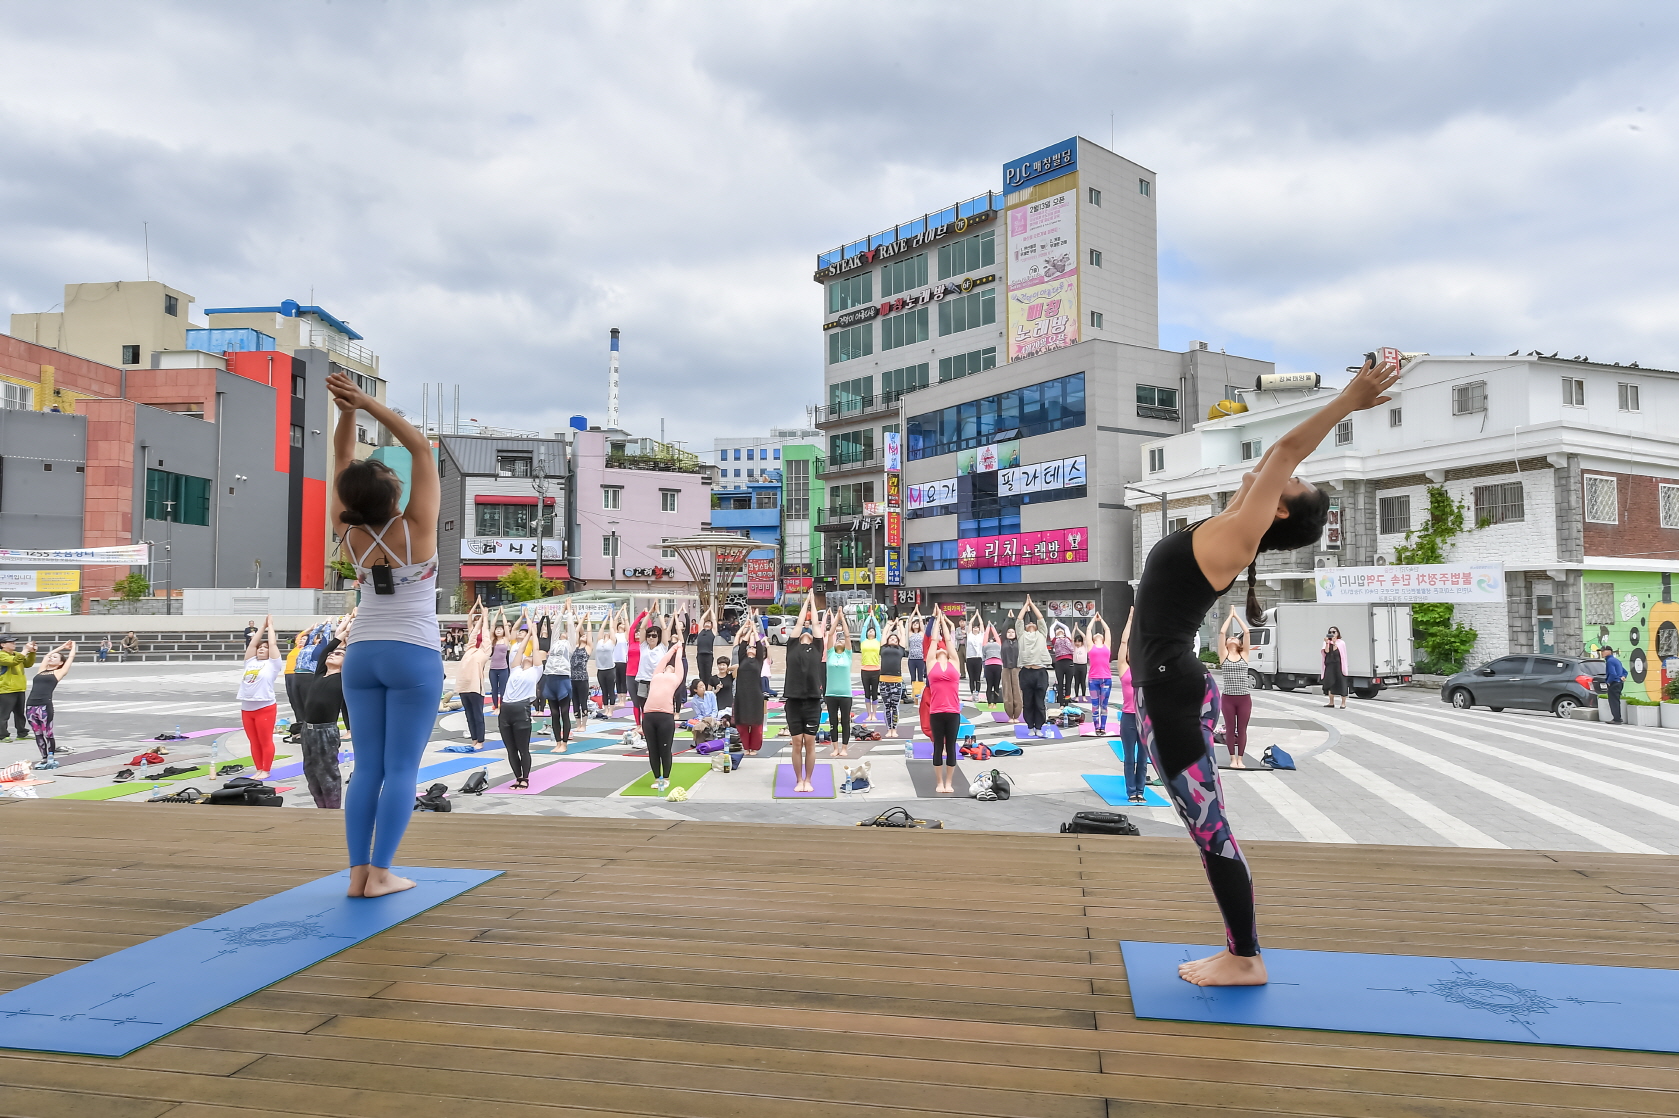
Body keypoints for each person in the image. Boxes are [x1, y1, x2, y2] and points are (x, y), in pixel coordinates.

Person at [1131, 354, 1398, 987]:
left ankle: (1246, 956)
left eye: (1290, 482)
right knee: (1206, 829)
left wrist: (1350, 399)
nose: (1282, 470)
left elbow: (1285, 449)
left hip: (1171, 695)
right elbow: (1278, 455)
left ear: (1277, 510)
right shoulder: (1228, 523)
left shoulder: (1237, 538)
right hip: (1163, 690)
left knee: (1211, 832)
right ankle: (1240, 950)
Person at [328, 366, 446, 898]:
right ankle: (381, 874)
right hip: (413, 654)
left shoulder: (347, 532)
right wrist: (365, 402)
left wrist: (346, 414)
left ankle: (358, 875)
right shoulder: (416, 529)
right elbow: (420, 447)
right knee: (401, 769)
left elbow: (341, 462)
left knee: (366, 768)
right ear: (394, 495)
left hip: (361, 654)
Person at [299, 614, 352, 808]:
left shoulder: (344, 678)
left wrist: (351, 633)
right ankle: (321, 808)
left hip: (325, 731)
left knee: (327, 773)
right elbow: (326, 650)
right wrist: (343, 633)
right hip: (307, 730)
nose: (332, 654)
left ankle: (332, 810)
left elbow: (354, 658)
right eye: (332, 653)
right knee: (311, 772)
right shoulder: (320, 673)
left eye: (339, 654)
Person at [782, 594, 827, 792]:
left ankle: (808, 780)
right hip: (793, 701)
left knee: (809, 742)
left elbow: (814, 624)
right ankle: (798, 779)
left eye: (808, 634)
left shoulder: (817, 648)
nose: (805, 634)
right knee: (796, 742)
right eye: (802, 634)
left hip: (812, 701)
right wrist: (805, 604)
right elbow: (800, 624)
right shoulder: (792, 648)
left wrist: (812, 602)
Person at [237, 616, 283, 779]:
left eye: (265, 648)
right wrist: (261, 627)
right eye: (260, 648)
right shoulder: (250, 662)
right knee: (253, 741)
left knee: (265, 740)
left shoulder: (273, 664)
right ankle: (258, 769)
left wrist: (270, 626)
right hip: (246, 708)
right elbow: (252, 644)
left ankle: (266, 769)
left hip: (265, 707)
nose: (261, 649)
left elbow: (273, 644)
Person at [498, 632, 544, 789]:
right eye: (526, 656)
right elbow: (520, 650)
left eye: (530, 657)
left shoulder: (536, 671)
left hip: (521, 709)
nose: (527, 657)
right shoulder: (515, 669)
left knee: (523, 748)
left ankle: (525, 778)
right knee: (511, 749)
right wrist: (527, 635)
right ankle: (517, 777)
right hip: (505, 710)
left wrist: (534, 633)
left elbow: (535, 649)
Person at [925, 613, 963, 793]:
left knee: (951, 747)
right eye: (938, 649)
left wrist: (944, 624)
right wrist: (936, 622)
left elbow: (948, 640)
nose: (941, 649)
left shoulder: (954, 663)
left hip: (953, 712)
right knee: (938, 746)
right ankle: (939, 782)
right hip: (936, 712)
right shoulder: (931, 663)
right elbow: (934, 641)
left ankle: (949, 783)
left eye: (944, 649)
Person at [642, 640, 685, 792]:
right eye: (667, 666)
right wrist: (672, 649)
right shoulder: (656, 675)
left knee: (664, 749)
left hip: (665, 716)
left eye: (671, 668)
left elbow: (678, 662)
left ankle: (665, 778)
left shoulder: (676, 677)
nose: (669, 667)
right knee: (653, 749)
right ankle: (656, 777)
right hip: (649, 716)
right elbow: (663, 660)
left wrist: (679, 648)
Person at [25, 640, 74, 767]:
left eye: (55, 657)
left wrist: (72, 647)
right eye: (52, 657)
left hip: (44, 705)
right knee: (38, 734)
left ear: (61, 663)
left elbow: (71, 657)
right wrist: (62, 646)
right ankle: (44, 757)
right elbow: (46, 656)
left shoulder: (59, 672)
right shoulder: (41, 671)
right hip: (30, 705)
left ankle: (51, 757)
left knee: (48, 733)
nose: (51, 658)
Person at [1116, 615, 1148, 803]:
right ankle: (1131, 792)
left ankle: (1140, 791)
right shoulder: (1123, 668)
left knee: (1143, 758)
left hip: (1144, 718)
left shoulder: (1145, 669)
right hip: (1128, 717)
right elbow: (1123, 642)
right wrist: (1129, 620)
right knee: (1129, 757)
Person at [1219, 607, 1255, 766]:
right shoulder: (1224, 656)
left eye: (1235, 637)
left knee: (1242, 729)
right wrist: (1230, 616)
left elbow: (1247, 632)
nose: (1232, 638)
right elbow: (1222, 632)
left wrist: (1237, 616)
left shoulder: (1244, 655)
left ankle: (1240, 758)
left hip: (1244, 698)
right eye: (1230, 638)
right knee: (1230, 728)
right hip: (1228, 698)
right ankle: (1232, 758)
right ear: (1226, 644)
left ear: (1239, 643)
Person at [536, 610, 573, 750]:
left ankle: (564, 743)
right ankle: (557, 742)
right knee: (554, 714)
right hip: (550, 678)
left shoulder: (570, 645)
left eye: (566, 633)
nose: (563, 633)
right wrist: (561, 612)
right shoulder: (554, 643)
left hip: (562, 679)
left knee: (564, 713)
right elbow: (556, 627)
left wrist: (569, 613)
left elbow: (571, 629)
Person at [454, 603, 490, 747]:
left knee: (477, 715)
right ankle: (474, 739)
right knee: (469, 715)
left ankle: (480, 740)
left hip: (475, 687)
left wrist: (485, 618)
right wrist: (479, 619)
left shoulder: (484, 652)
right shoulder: (469, 649)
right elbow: (473, 635)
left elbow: (485, 635)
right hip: (464, 686)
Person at [1015, 597, 1052, 734]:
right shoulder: (1021, 635)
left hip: (1040, 672)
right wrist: (1026, 605)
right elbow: (1019, 620)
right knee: (1028, 702)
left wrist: (1032, 604)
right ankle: (1030, 727)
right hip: (1026, 672)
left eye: (1033, 623)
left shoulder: (1041, 634)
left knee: (1039, 703)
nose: (1031, 623)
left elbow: (1040, 618)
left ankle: (1039, 727)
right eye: (1028, 623)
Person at [733, 619, 768, 754]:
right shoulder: (742, 659)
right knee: (742, 724)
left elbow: (760, 646)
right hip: (742, 694)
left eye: (753, 648)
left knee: (755, 724)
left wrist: (754, 629)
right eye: (750, 648)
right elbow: (742, 645)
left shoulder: (759, 661)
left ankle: (755, 747)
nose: (751, 649)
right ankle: (746, 747)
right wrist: (748, 629)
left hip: (755, 695)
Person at [824, 611, 854, 758]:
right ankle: (835, 748)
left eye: (841, 641)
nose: (840, 641)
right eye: (838, 640)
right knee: (833, 721)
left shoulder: (848, 655)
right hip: (831, 694)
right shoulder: (830, 654)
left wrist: (843, 619)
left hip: (845, 694)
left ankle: (844, 748)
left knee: (845, 722)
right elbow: (830, 635)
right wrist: (836, 619)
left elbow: (847, 636)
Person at [0, 636, 37, 743]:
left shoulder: (16, 654)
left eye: (14, 642)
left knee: (20, 713)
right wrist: (25, 650)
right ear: (2, 645)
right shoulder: (1, 655)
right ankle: (2, 735)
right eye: (10, 642)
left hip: (19, 688)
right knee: (4, 714)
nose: (14, 644)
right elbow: (13, 662)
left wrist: (32, 653)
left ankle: (22, 733)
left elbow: (28, 664)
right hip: (6, 689)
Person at [878, 620, 906, 739]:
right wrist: (888, 626)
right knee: (886, 706)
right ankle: (888, 728)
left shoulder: (900, 649)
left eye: (895, 639)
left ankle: (894, 729)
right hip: (884, 680)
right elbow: (884, 634)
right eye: (891, 638)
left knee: (894, 707)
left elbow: (903, 635)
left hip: (896, 681)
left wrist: (900, 626)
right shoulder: (883, 648)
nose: (893, 639)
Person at [1086, 614, 1113, 736]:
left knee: (1104, 705)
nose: (1098, 634)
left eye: (1099, 634)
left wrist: (1101, 619)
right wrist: (1093, 619)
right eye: (1095, 635)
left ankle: (1103, 727)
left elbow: (1107, 630)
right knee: (1095, 705)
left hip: (1106, 678)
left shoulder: (1107, 646)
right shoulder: (1090, 647)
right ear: (1093, 639)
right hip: (1093, 679)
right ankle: (1097, 727)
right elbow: (1088, 629)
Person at [858, 611, 882, 720]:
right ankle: (868, 714)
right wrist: (869, 617)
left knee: (875, 693)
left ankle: (874, 714)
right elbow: (864, 627)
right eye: (869, 630)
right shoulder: (863, 640)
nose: (871, 631)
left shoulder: (878, 641)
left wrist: (874, 617)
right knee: (867, 693)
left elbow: (877, 627)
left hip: (876, 670)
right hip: (865, 670)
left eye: (873, 631)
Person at [685, 678, 721, 746]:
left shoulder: (711, 694)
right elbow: (699, 714)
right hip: (703, 720)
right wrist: (705, 720)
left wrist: (711, 719)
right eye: (700, 686)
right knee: (699, 726)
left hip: (714, 717)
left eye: (703, 685)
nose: (703, 687)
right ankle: (700, 742)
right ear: (695, 690)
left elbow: (715, 709)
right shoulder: (694, 701)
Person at [1321, 625, 1349, 709]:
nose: (1332, 634)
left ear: (1337, 633)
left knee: (1342, 683)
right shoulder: (1327, 642)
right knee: (1330, 682)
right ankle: (1331, 702)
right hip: (1330, 665)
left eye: (1334, 632)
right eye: (1330, 632)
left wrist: (1334, 643)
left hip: (1339, 665)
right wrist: (1327, 643)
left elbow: (1336, 651)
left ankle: (1343, 703)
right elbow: (1326, 652)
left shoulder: (1341, 643)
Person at [486, 617, 511, 710]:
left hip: (503, 668)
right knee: (494, 689)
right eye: (497, 629)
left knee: (503, 688)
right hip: (493, 669)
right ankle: (496, 706)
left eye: (500, 629)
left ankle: (502, 706)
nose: (498, 630)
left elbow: (506, 626)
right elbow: (492, 626)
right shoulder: (492, 640)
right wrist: (497, 614)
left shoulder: (506, 639)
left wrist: (503, 614)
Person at [1050, 620, 1075, 704]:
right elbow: (1051, 628)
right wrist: (1055, 623)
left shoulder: (1068, 638)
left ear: (1064, 633)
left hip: (1069, 662)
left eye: (1061, 630)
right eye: (1058, 630)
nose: (1059, 630)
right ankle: (1061, 702)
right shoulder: (1054, 640)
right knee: (1060, 684)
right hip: (1059, 663)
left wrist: (1058, 622)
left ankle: (1067, 703)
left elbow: (1066, 628)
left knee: (1068, 684)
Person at [1000, 624, 1022, 721]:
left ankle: (1016, 715)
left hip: (1017, 669)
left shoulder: (1019, 642)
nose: (1010, 633)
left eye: (1013, 632)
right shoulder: (1003, 642)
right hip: (1006, 669)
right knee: (1007, 692)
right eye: (1009, 632)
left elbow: (1021, 627)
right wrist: (1009, 619)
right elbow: (1004, 628)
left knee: (1017, 692)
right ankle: (1010, 715)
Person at [964, 613, 985, 701]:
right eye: (974, 627)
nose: (975, 628)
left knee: (977, 677)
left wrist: (978, 615)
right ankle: (972, 693)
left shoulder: (981, 635)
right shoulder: (970, 635)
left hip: (978, 658)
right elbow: (969, 624)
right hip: (970, 658)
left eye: (977, 627)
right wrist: (974, 616)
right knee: (971, 677)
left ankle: (977, 692)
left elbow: (982, 624)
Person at [1604, 646, 1627, 724]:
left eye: (1603, 651)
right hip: (1619, 683)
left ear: (1609, 651)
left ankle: (1617, 719)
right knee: (1616, 701)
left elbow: (1612, 674)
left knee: (1613, 701)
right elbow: (1625, 671)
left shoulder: (1609, 661)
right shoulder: (1616, 660)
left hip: (1614, 683)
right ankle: (1618, 718)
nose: (1602, 652)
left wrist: (1608, 682)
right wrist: (1623, 676)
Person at [982, 623, 1003, 705]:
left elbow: (996, 636)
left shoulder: (998, 644)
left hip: (997, 666)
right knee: (989, 685)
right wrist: (988, 627)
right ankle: (990, 702)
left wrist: (992, 627)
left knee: (996, 685)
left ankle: (995, 703)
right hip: (989, 666)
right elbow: (985, 636)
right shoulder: (985, 644)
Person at [906, 613, 928, 688]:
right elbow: (909, 621)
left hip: (920, 658)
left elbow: (921, 621)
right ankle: (914, 692)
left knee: (920, 677)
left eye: (917, 623)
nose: (915, 624)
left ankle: (920, 692)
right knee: (913, 678)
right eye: (914, 623)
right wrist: (914, 611)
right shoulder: (910, 633)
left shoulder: (922, 633)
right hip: (911, 658)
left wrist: (918, 612)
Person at [696, 608, 717, 685]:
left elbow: (714, 620)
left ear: (711, 626)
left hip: (709, 654)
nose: (707, 624)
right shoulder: (701, 631)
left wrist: (712, 611)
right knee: (701, 672)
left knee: (708, 673)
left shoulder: (713, 632)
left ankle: (708, 687)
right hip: (700, 654)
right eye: (706, 623)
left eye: (709, 623)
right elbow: (702, 619)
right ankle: (702, 686)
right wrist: (708, 610)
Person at [1071, 630, 1090, 700]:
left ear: (1081, 642)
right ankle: (1076, 696)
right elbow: (1072, 638)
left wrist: (1078, 629)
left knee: (1083, 682)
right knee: (1076, 682)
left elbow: (1084, 637)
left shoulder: (1084, 647)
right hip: (1076, 665)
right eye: (1076, 642)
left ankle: (1084, 696)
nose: (1077, 643)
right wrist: (1074, 629)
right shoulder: (1074, 647)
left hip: (1083, 666)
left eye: (1079, 642)